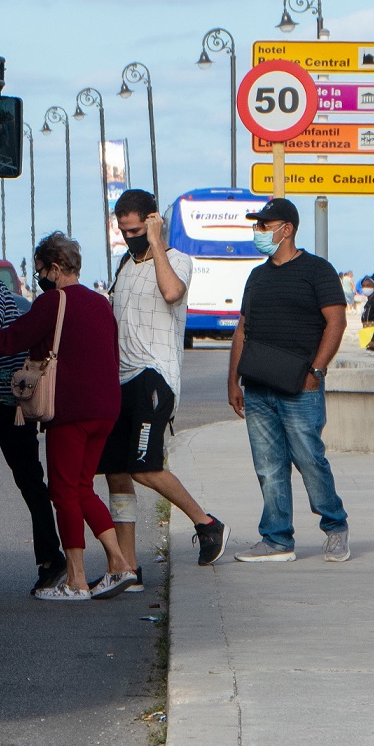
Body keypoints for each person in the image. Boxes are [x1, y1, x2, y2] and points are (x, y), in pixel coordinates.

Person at [0, 233, 136, 602]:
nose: (39, 277)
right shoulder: (100, 303)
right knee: (82, 488)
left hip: (70, 411)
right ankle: (119, 565)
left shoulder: (53, 302)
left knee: (64, 493)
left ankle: (76, 580)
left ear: (55, 268)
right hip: (105, 409)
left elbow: (9, 341)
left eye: (40, 270)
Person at [101, 190, 229, 574]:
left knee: (144, 467)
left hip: (154, 378)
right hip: (119, 380)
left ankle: (207, 524)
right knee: (117, 474)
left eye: (137, 229)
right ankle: (126, 566)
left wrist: (156, 241)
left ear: (154, 222)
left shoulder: (177, 261)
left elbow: (172, 293)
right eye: (124, 231)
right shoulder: (124, 265)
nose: (130, 237)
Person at [226, 198, 351, 563]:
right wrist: (233, 381)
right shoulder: (258, 276)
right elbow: (243, 329)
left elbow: (336, 322)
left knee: (309, 459)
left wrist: (316, 371)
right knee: (268, 466)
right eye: (258, 225)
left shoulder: (317, 271)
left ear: (287, 229)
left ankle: (335, 526)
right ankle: (277, 539)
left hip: (301, 387)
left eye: (266, 225)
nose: (259, 231)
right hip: (259, 387)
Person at [0, 269, 66, 593]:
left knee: (28, 479)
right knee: (31, 480)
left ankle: (52, 557)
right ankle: (50, 557)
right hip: (13, 398)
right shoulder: (7, 294)